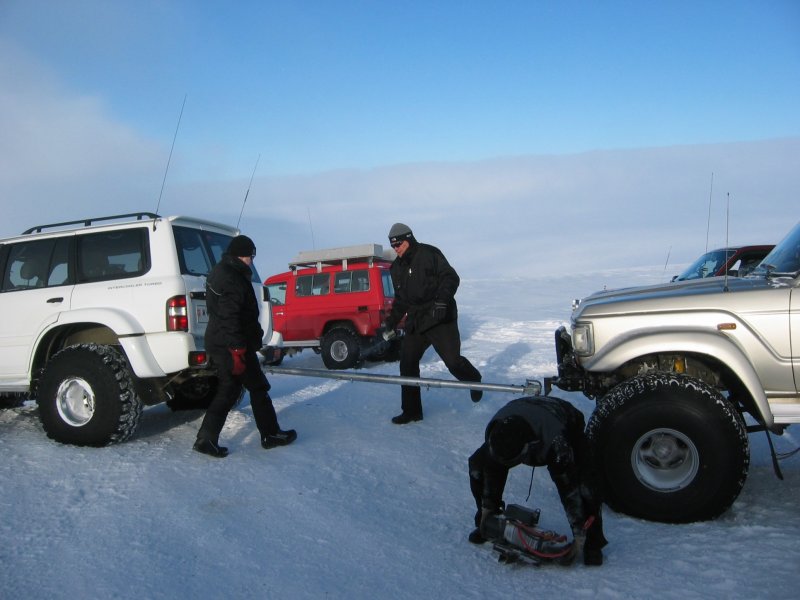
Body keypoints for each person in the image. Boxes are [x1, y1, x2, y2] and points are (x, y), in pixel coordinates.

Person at [467, 396, 608, 565]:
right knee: (477, 466)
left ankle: (592, 543)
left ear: (528, 449)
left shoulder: (556, 444)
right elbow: (489, 468)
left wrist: (579, 534)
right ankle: (490, 521)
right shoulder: (497, 434)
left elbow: (569, 491)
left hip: (564, 416)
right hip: (521, 409)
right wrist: (487, 510)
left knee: (586, 485)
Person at [193, 235, 297, 457]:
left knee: (229, 390)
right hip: (231, 346)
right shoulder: (232, 278)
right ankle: (270, 434)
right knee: (257, 388)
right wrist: (238, 350)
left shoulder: (223, 271)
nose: (252, 260)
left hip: (225, 343)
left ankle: (206, 439)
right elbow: (230, 318)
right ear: (243, 255)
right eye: (252, 255)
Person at [380, 223, 482, 424]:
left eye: (398, 244)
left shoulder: (429, 254)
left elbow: (451, 277)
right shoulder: (396, 268)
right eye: (393, 246)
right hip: (417, 320)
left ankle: (473, 379)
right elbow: (401, 299)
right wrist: (391, 323)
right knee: (407, 363)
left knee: (453, 362)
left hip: (439, 317)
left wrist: (442, 302)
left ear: (408, 240)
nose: (396, 249)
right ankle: (412, 411)